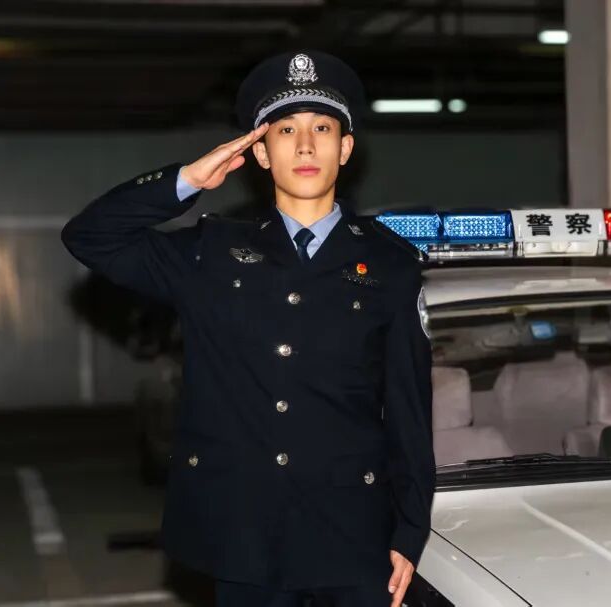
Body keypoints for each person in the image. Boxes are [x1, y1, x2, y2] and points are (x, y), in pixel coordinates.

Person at [61, 49, 435, 607]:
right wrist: (187, 180)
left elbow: (409, 408)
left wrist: (409, 529)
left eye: (322, 128)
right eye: (285, 130)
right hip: (246, 537)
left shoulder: (391, 263)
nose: (305, 145)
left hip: (355, 536)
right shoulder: (211, 253)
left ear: (345, 148)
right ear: (260, 152)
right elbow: (89, 237)